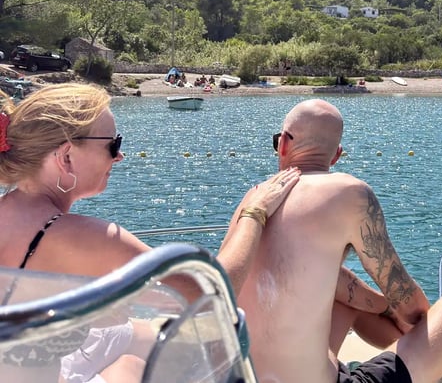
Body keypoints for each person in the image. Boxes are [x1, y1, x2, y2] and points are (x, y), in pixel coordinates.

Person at [0, 82, 300, 382]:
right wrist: (254, 212)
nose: (119, 157)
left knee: (135, 342)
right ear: (66, 157)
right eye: (113, 145)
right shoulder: (84, 237)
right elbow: (214, 293)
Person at [236, 98, 442, 383]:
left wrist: (379, 305)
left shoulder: (255, 200)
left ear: (282, 144)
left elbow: (298, 273)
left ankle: (435, 355)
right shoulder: (350, 193)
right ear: (336, 156)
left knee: (347, 299)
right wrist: (416, 321)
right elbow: (411, 308)